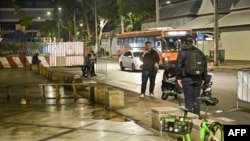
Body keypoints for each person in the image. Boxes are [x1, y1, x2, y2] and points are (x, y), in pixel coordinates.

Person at [176, 38, 207, 116]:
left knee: (188, 99)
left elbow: (179, 66)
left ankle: (190, 117)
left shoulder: (182, 52)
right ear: (192, 42)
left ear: (185, 43)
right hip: (198, 78)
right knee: (197, 98)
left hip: (187, 78)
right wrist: (203, 78)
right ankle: (197, 115)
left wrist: (178, 78)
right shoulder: (199, 52)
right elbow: (204, 66)